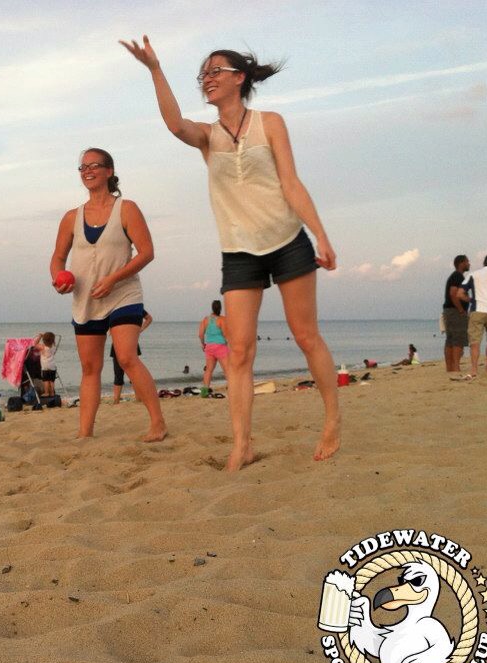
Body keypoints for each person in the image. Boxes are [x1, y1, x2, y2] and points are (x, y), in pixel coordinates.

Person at [121, 37, 340, 469]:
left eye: (215, 71)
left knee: (305, 336)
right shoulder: (208, 137)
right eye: (203, 74)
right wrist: (155, 69)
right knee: (239, 352)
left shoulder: (269, 123)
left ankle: (332, 418)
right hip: (239, 252)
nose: (207, 78)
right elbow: (174, 124)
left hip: (287, 241)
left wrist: (321, 235)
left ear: (239, 78)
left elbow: (291, 184)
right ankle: (242, 444)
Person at [50, 148, 167, 442]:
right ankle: (85, 432)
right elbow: (58, 258)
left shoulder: (127, 209)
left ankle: (158, 423)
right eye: (83, 167)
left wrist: (114, 279)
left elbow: (147, 252)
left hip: (123, 293)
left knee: (126, 357)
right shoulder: (71, 217)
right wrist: (58, 279)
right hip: (86, 300)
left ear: (109, 171)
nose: (87, 171)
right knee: (90, 368)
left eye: (94, 165)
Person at [110, 310, 152, 403]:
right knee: (118, 373)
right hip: (118, 342)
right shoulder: (114, 307)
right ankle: (116, 400)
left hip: (130, 342)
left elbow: (149, 318)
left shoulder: (134, 306)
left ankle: (137, 399)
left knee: (133, 373)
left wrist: (140, 329)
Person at [442, 255, 471, 373]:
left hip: (449, 311)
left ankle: (450, 368)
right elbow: (453, 293)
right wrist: (461, 310)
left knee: (450, 340)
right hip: (455, 312)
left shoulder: (455, 276)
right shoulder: (457, 276)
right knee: (458, 339)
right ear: (461, 263)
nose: (469, 264)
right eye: (467, 262)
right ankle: (456, 367)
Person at [198, 299, 231, 390]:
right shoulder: (222, 319)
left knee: (208, 370)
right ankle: (232, 388)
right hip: (220, 347)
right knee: (227, 370)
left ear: (212, 308)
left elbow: (200, 334)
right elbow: (226, 335)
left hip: (209, 347)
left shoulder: (205, 320)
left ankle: (205, 391)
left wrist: (203, 344)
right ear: (220, 308)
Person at [34, 332, 58, 397]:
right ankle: (52, 393)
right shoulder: (54, 347)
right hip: (52, 366)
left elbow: (35, 344)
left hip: (45, 367)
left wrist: (40, 336)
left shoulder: (43, 347)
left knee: (46, 380)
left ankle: (47, 392)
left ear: (44, 340)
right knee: (52, 381)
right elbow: (53, 342)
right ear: (53, 340)